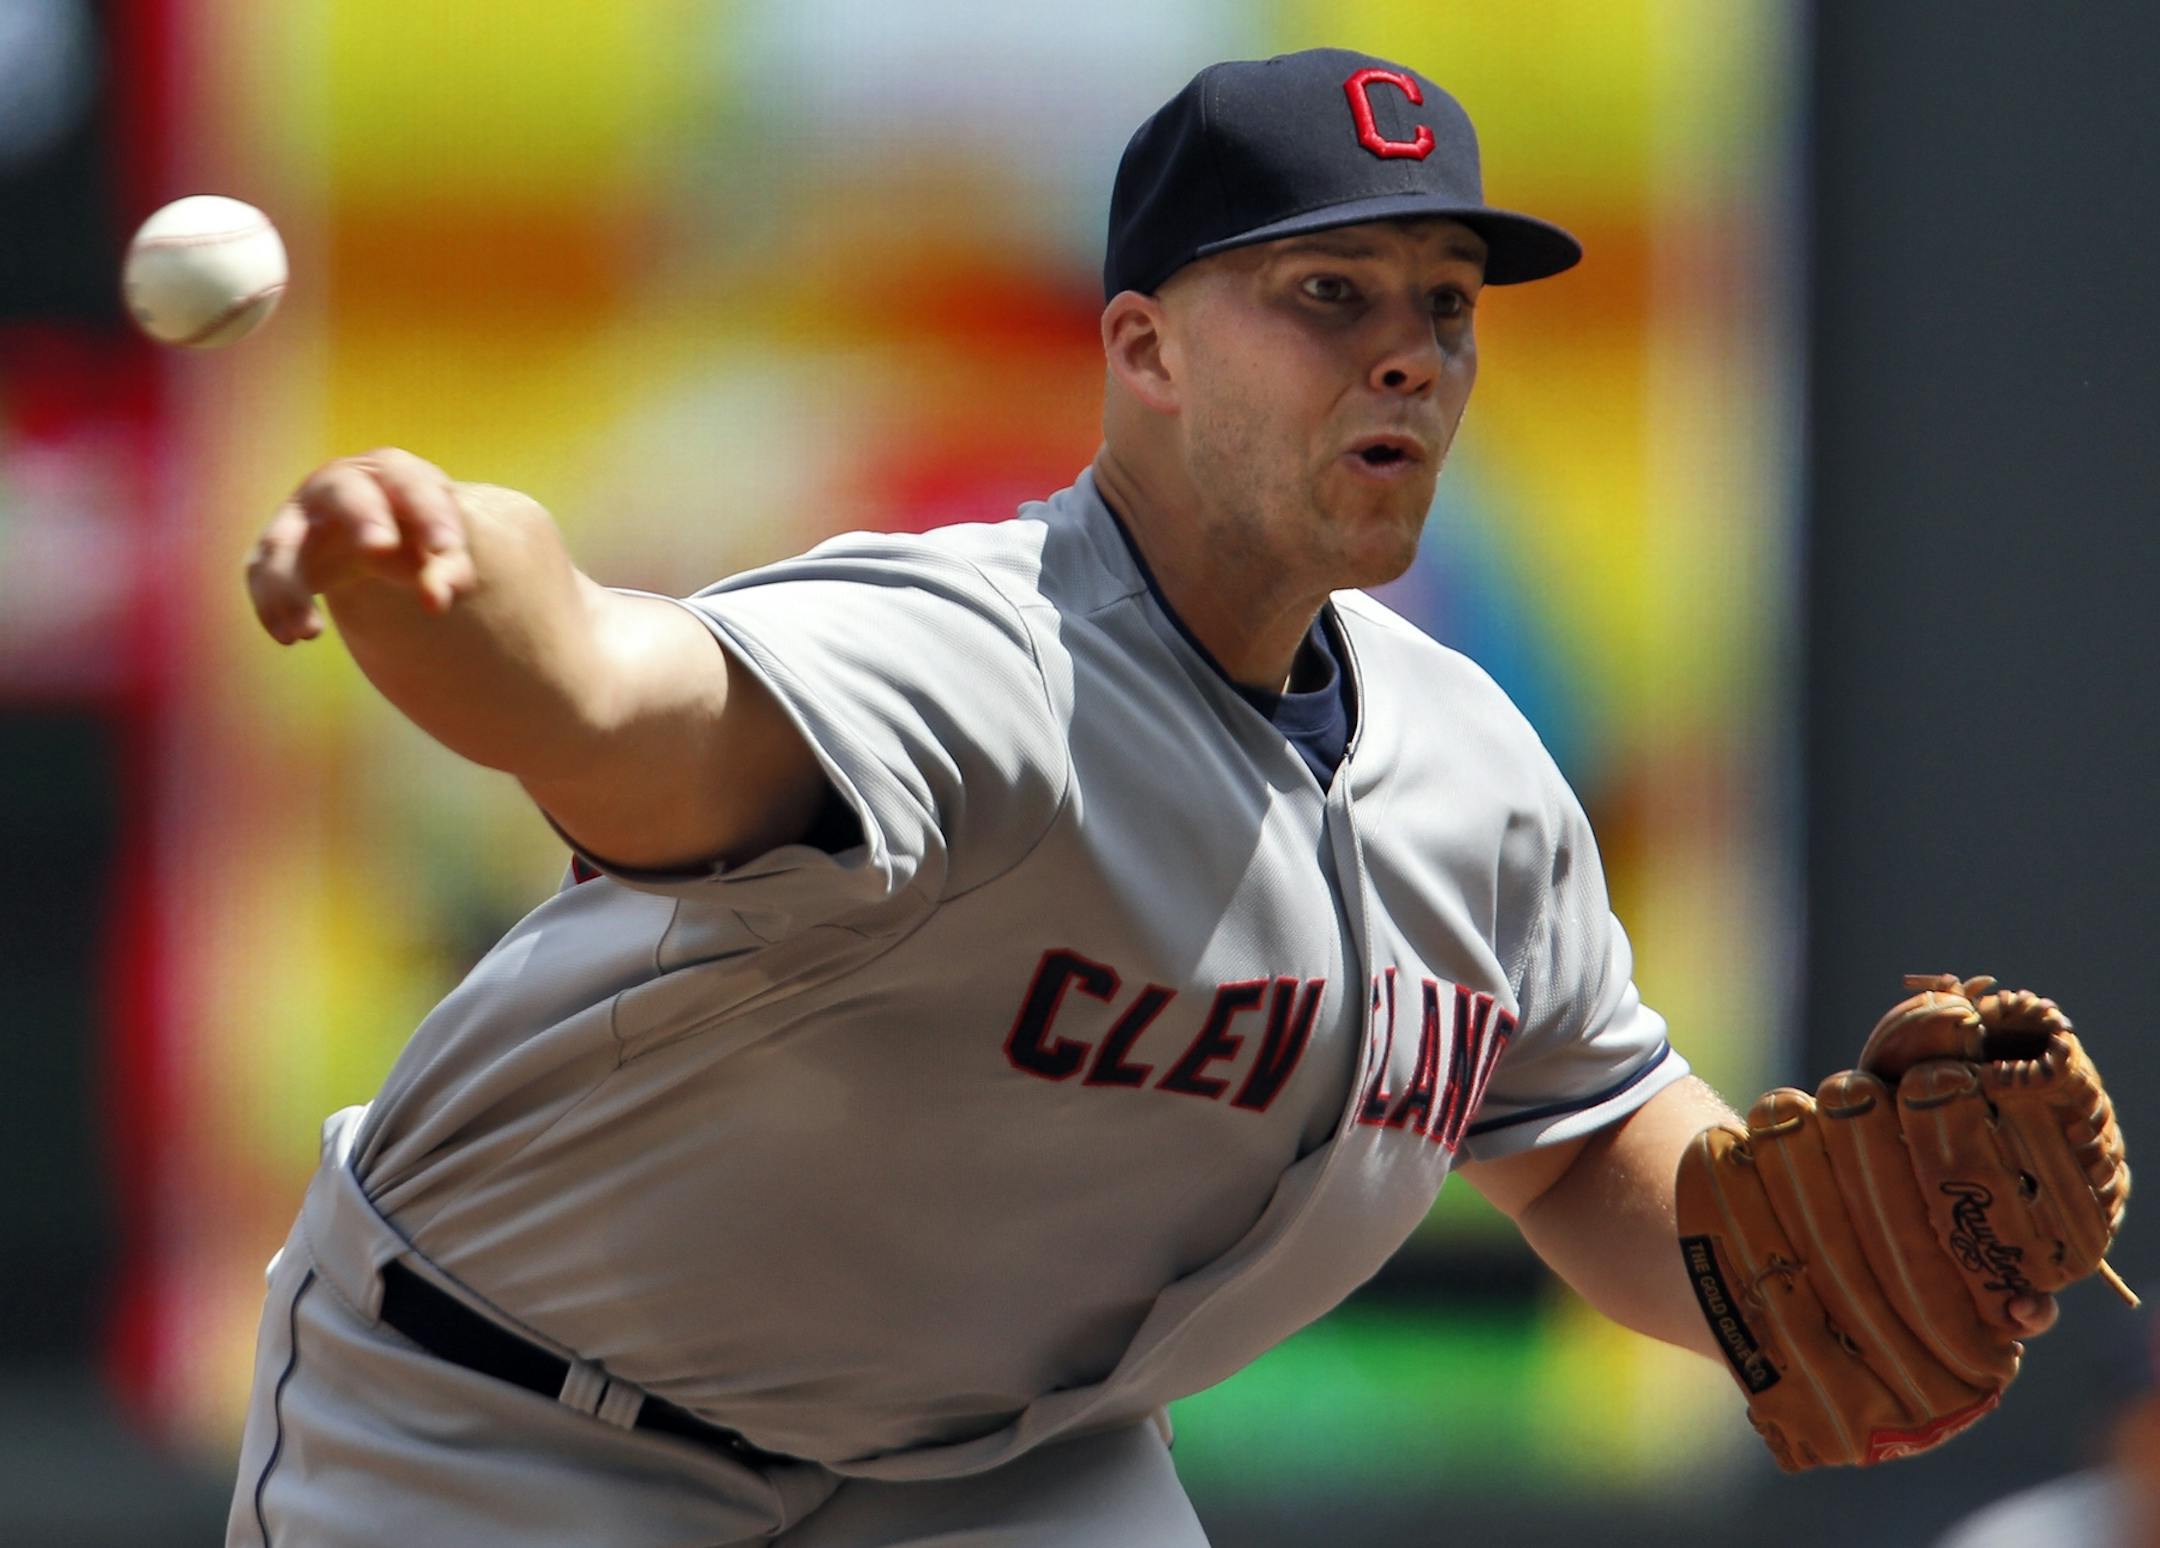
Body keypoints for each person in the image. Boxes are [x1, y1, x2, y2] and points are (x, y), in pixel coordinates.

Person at [225, 45, 2052, 1548]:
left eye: (1445, 304)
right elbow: (622, 701)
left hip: (989, 1468)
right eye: (1327, 294)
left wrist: (1780, 1280)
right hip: (517, 1428)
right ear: (1143, 352)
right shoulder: (979, 659)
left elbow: (1581, 1144)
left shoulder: (1481, 779)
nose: (1409, 350)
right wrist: (448, 575)